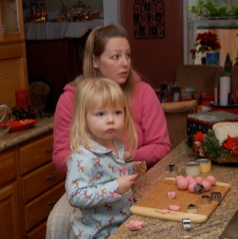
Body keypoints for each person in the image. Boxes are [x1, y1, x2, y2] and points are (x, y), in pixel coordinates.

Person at [46, 24, 171, 239]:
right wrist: (96, 164)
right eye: (115, 57)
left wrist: (126, 159)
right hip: (88, 185)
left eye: (127, 56)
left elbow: (162, 145)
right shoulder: (70, 99)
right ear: (95, 61)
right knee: (57, 224)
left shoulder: (143, 92)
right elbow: (60, 156)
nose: (125, 63)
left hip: (136, 180)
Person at [65, 77, 146, 238]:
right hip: (98, 232)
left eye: (117, 112)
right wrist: (114, 187)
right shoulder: (83, 157)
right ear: (84, 118)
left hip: (121, 224)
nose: (110, 120)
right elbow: (75, 196)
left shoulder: (114, 144)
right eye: (101, 113)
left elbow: (107, 171)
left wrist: (130, 168)